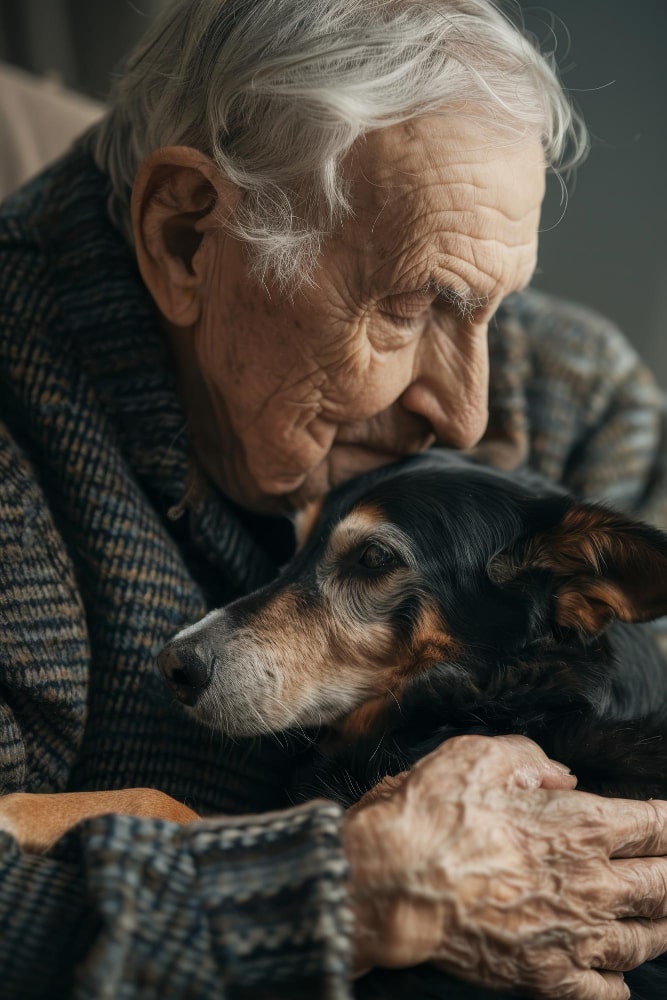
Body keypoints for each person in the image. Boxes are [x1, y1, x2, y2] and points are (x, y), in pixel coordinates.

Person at [1, 1, 667, 998]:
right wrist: (346, 898)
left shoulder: (580, 399)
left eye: (492, 304)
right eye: (411, 305)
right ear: (188, 237)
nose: (470, 413)